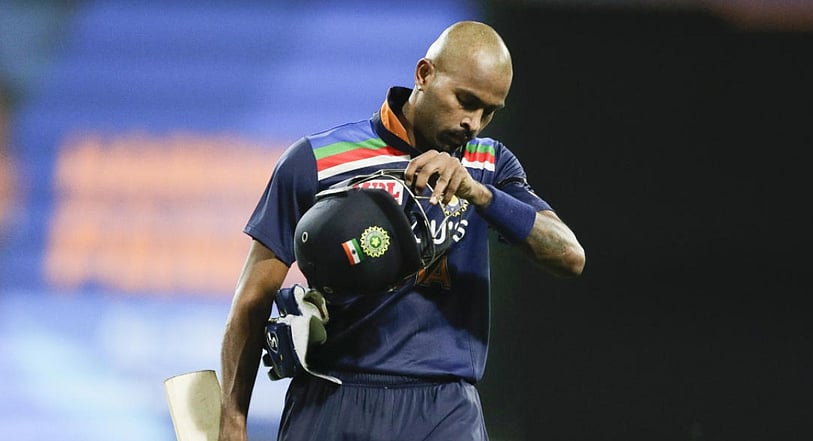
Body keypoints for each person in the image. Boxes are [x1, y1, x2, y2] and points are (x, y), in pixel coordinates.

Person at [219, 20, 585, 441]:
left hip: (444, 409)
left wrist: (480, 194)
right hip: (333, 397)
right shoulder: (316, 160)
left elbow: (570, 255)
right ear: (425, 74)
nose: (474, 123)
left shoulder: (489, 165)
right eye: (465, 101)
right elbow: (252, 300)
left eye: (488, 112)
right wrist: (232, 419)